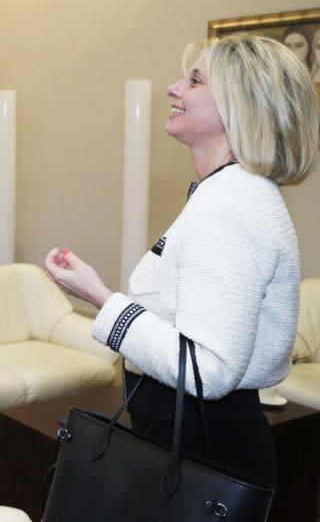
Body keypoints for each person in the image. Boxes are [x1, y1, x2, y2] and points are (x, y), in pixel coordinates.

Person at [44, 34, 318, 486]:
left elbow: (207, 370)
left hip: (200, 446)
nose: (173, 88)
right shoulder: (230, 193)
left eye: (195, 80)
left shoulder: (230, 205)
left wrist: (99, 297)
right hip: (195, 433)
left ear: (239, 105)